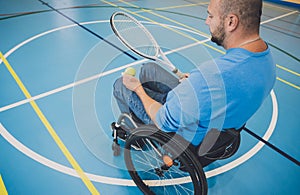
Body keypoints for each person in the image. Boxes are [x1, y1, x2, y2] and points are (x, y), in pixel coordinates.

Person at [113, 0, 276, 150]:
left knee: (121, 85)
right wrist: (193, 87)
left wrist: (138, 88)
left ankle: (139, 139)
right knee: (149, 69)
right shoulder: (268, 61)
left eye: (211, 16)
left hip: (184, 137)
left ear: (231, 22)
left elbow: (163, 120)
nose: (207, 21)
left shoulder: (211, 76)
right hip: (214, 124)